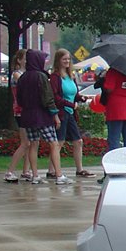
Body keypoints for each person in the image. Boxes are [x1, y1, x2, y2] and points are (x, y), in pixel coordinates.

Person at [15, 49, 63, 184]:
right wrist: (55, 115)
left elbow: (19, 99)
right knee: (53, 143)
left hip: (27, 116)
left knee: (33, 145)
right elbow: (48, 98)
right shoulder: (41, 76)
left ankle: (35, 175)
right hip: (42, 116)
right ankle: (59, 175)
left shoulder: (23, 77)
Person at [48, 49, 91, 177]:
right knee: (59, 142)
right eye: (64, 59)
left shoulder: (71, 76)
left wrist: (81, 98)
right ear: (58, 61)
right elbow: (55, 97)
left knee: (78, 141)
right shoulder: (55, 77)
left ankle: (79, 169)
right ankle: (51, 170)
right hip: (61, 113)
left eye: (68, 59)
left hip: (71, 113)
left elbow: (73, 94)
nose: (67, 61)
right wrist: (71, 104)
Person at [3, 49, 32, 183]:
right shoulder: (17, 74)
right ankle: (9, 171)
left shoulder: (27, 74)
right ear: (19, 60)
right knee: (25, 142)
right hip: (20, 111)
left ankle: (26, 171)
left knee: (30, 143)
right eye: (26, 58)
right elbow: (27, 85)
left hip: (28, 110)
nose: (28, 60)